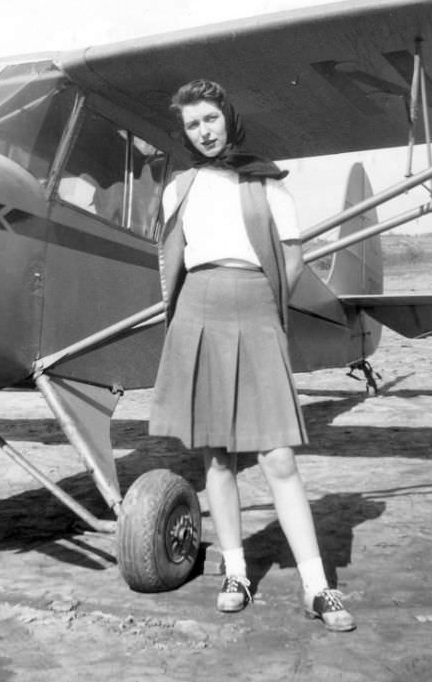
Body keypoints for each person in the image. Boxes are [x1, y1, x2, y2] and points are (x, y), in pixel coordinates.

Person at [149, 79, 355, 633]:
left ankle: (317, 587)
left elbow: (290, 261)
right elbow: (174, 261)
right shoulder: (179, 188)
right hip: (198, 312)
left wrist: (265, 311)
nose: (204, 132)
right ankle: (236, 571)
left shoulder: (268, 183)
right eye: (193, 125)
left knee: (279, 458)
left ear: (228, 117)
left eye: (210, 119)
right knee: (217, 460)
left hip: (256, 310)